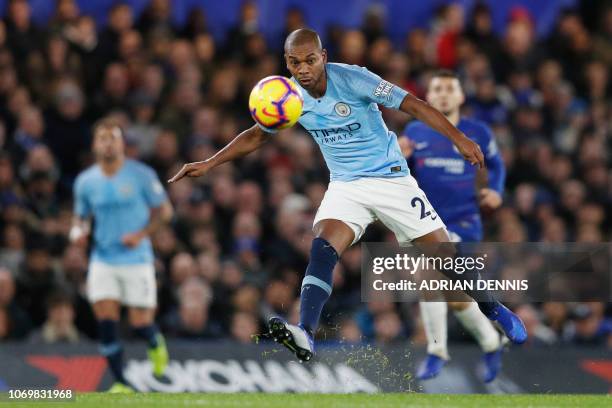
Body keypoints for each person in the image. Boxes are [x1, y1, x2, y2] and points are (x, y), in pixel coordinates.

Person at [168, 28, 527, 362]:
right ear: (286, 62)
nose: (303, 69)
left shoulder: (354, 78)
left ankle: (495, 308)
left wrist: (459, 139)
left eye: (310, 60)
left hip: (391, 179)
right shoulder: (288, 97)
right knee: (322, 246)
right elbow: (258, 134)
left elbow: (413, 105)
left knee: (445, 256)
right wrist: (210, 162)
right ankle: (306, 332)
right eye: (295, 62)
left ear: (323, 56)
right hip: (346, 186)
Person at [400, 69, 507, 382]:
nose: (444, 94)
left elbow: (497, 164)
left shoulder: (478, 132)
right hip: (426, 220)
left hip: (464, 219)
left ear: (460, 96)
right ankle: (491, 342)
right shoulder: (415, 132)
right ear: (428, 98)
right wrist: (402, 159)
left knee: (430, 273)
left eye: (450, 89)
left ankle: (436, 351)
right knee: (457, 298)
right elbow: (400, 177)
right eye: (438, 89)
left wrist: (496, 191)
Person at [70, 119, 173, 392]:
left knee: (140, 323)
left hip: (136, 258)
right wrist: (78, 232)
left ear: (121, 144)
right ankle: (120, 382)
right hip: (103, 259)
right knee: (106, 321)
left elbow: (165, 212)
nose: (107, 143)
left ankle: (155, 342)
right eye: (102, 138)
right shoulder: (85, 182)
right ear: (94, 145)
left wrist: (140, 235)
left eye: (112, 138)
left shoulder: (141, 175)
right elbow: (81, 218)